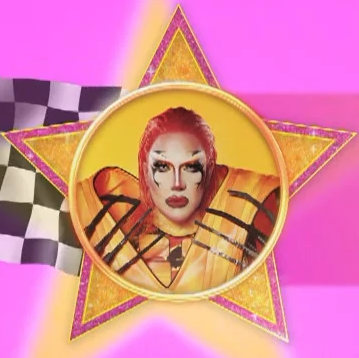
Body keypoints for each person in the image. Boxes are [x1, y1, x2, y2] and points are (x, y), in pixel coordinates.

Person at [69, 105, 282, 295]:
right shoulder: (103, 209)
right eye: (162, 167)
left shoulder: (252, 211)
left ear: (209, 168)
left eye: (191, 167)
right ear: (144, 169)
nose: (177, 183)